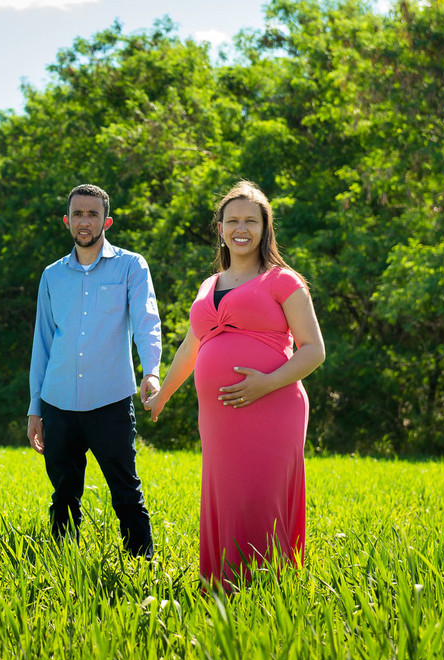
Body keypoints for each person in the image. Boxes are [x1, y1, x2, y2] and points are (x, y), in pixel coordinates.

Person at [143, 180, 325, 587]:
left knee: (263, 493)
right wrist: (163, 395)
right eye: (232, 220)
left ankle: (268, 584)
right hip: (219, 417)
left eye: (251, 220)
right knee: (227, 494)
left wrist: (267, 382)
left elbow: (314, 350)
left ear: (265, 228)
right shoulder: (210, 285)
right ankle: (224, 583)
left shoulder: (282, 280)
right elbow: (191, 348)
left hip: (274, 404)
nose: (241, 228)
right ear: (220, 228)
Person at [27, 183, 162, 559]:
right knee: (64, 494)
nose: (84, 221)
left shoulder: (131, 266)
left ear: (107, 221)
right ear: (67, 221)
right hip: (58, 402)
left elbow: (147, 320)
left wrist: (150, 370)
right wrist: (35, 408)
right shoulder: (52, 276)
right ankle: (62, 564)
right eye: (78, 214)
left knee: (125, 491)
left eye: (93, 214)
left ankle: (142, 565)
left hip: (111, 401)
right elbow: (43, 343)